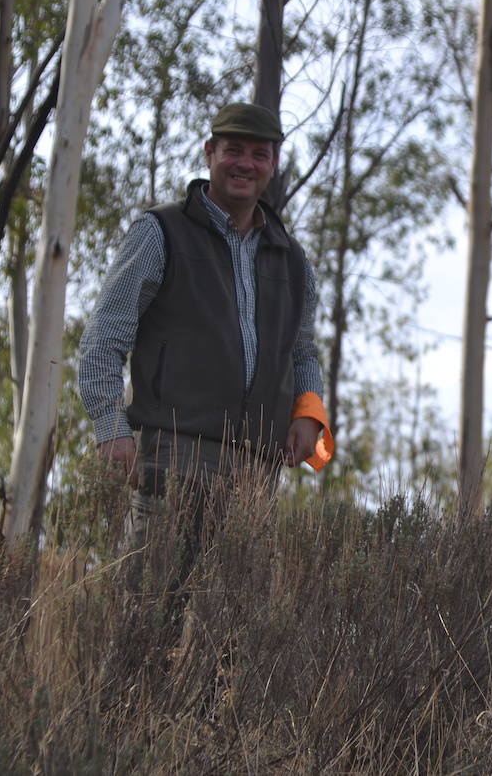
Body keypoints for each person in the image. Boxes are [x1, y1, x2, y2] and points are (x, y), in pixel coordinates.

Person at [78, 101, 333, 558]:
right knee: (151, 613)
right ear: (209, 153)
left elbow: (303, 352)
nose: (245, 164)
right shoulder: (160, 232)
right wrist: (109, 426)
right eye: (233, 150)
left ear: (272, 165)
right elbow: (105, 334)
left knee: (235, 624)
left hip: (257, 470)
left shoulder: (293, 261)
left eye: (259, 155)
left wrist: (308, 414)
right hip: (174, 455)